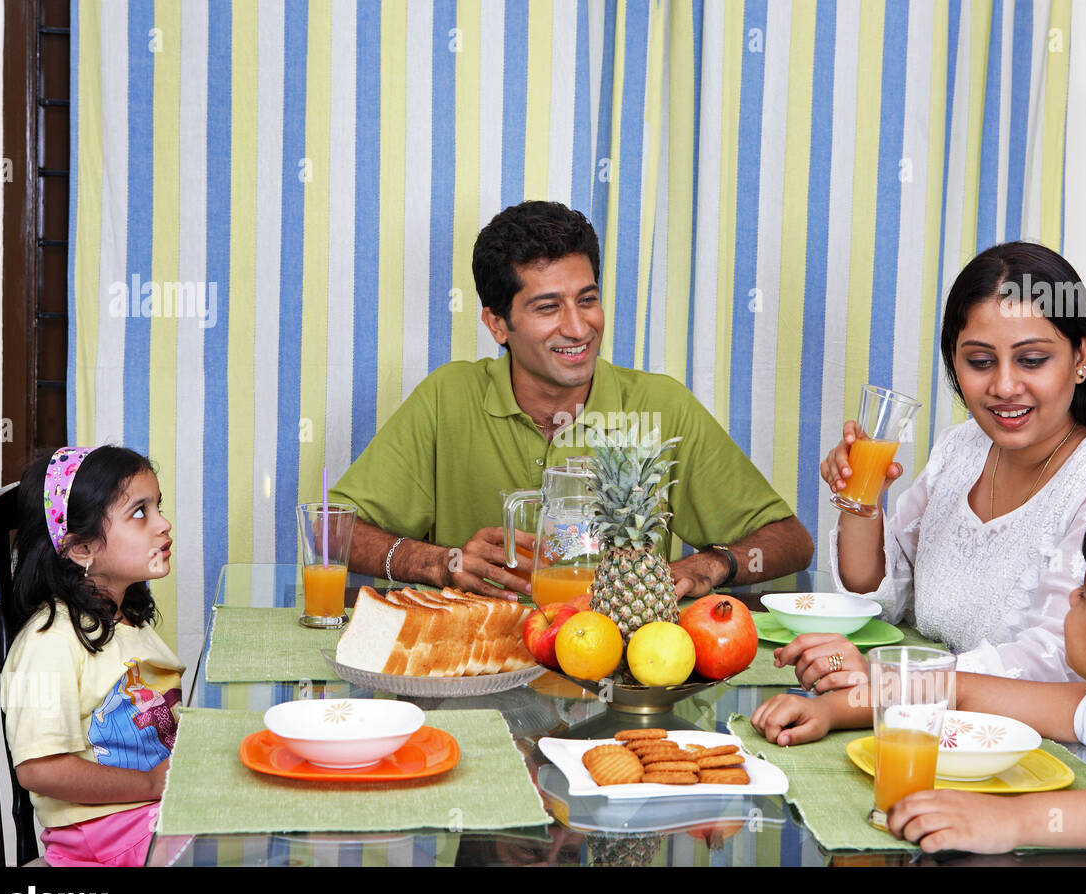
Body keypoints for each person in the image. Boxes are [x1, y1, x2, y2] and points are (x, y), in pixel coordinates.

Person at [329, 200, 814, 600]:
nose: (579, 328)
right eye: (547, 307)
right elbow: (332, 530)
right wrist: (437, 561)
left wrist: (713, 564)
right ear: (498, 324)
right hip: (476, 666)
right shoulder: (446, 398)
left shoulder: (662, 406)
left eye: (587, 299)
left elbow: (790, 541)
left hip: (622, 670)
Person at [753, 494, 1086, 861]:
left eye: (1083, 594)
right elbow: (957, 690)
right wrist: (831, 710)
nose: (1069, 600)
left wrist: (1010, 820)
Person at [793, 242, 1086, 689]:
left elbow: (1063, 660)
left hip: (1048, 743)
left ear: (1081, 358)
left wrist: (898, 679)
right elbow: (884, 598)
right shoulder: (962, 448)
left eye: (1032, 360)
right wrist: (859, 499)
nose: (1003, 385)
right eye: (980, 362)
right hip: (941, 719)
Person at [0, 446, 183, 867]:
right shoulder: (50, 642)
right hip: (103, 837)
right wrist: (152, 782)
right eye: (140, 513)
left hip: (145, 817)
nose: (163, 523)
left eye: (158, 507)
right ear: (81, 550)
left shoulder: (125, 618)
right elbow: (39, 769)